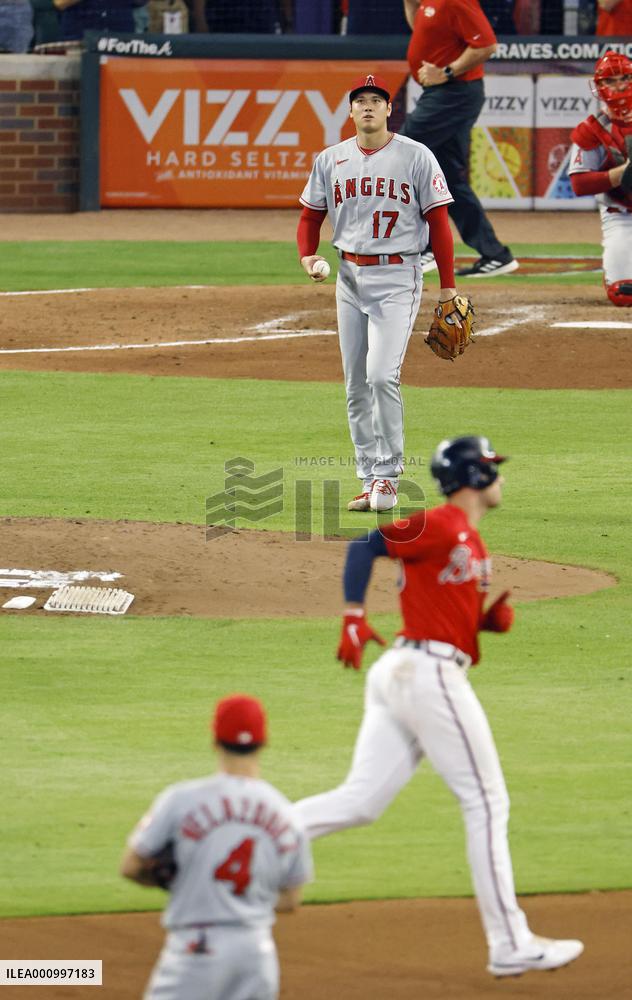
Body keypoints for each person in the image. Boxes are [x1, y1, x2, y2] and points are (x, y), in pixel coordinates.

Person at [293, 435, 584, 978]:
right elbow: (364, 546)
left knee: (360, 802)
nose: (500, 476)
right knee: (487, 802)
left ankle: (248, 835)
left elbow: (440, 604)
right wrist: (353, 615)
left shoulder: (468, 537)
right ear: (475, 476)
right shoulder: (442, 523)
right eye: (492, 468)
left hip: (409, 671)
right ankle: (510, 943)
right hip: (427, 675)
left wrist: (481, 623)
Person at [298, 73, 463, 513]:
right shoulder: (331, 159)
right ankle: (368, 478)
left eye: (376, 100)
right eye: (360, 101)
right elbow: (310, 217)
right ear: (350, 110)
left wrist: (447, 287)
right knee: (355, 384)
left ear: (390, 109)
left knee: (381, 376)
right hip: (348, 277)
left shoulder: (416, 156)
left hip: (398, 276)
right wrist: (308, 256)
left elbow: (439, 224)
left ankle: (388, 476)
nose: (368, 106)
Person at [120, 694, 313, 1000]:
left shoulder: (181, 800)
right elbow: (290, 899)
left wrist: (183, 883)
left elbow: (131, 867)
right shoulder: (286, 814)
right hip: (256, 953)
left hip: (198, 949)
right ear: (264, 742)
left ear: (215, 741)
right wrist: (246, 902)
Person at [400, 0, 519, 278]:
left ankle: (425, 247)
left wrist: (447, 71)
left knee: (401, 151)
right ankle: (495, 254)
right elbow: (424, 30)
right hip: (444, 94)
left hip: (454, 92)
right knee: (448, 179)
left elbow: (487, 45)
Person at [568, 50, 632, 308]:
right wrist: (622, 174)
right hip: (622, 214)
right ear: (599, 86)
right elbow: (579, 184)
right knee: (623, 293)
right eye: (610, 80)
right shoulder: (592, 129)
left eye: (624, 78)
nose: (619, 86)